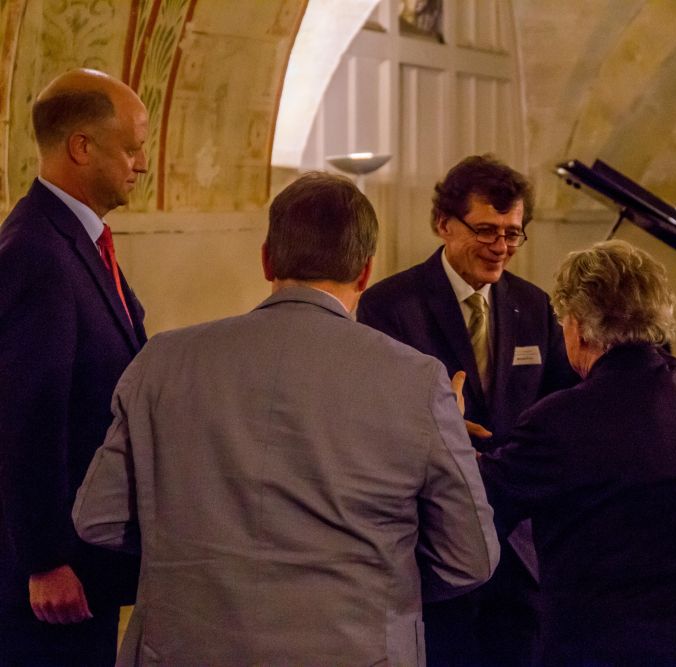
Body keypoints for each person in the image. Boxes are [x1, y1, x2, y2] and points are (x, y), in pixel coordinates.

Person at [72, 172, 500, 665]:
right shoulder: (418, 383)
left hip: (183, 648)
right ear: (365, 272)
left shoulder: (163, 362)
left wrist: (190, 557)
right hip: (353, 649)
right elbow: (469, 557)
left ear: (267, 260)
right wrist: (379, 578)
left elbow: (98, 519)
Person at [479, 240, 676, 666]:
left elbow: (482, 501)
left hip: (602, 649)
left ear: (580, 325)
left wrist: (447, 427)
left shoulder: (558, 419)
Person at [357, 154, 576, 666]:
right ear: (443, 224)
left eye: (513, 233)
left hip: (518, 539)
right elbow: (371, 415)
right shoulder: (391, 304)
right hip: (433, 538)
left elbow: (565, 399)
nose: (501, 246)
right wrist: (441, 428)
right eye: (485, 230)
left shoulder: (534, 305)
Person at [0, 68, 148, 666]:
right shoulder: (35, 253)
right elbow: (24, 419)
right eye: (132, 149)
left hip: (88, 556)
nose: (142, 164)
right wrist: (45, 560)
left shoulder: (74, 241)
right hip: (53, 578)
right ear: (81, 147)